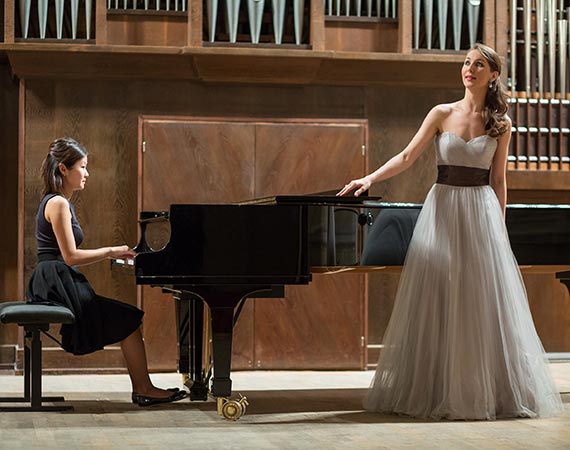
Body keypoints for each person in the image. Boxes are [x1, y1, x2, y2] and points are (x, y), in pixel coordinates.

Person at [338, 44, 563, 420]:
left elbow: (499, 180)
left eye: (478, 65)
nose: (469, 69)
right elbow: (407, 157)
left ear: (493, 75)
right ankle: (438, 387)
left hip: (481, 213)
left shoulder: (501, 123)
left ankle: (484, 390)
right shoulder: (442, 113)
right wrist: (370, 176)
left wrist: (500, 231)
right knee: (440, 296)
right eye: (466, 63)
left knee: (478, 302)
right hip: (442, 208)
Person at [26, 137, 186, 407]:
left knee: (127, 319)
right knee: (129, 320)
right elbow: (71, 257)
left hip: (54, 278)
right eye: (83, 167)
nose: (87, 173)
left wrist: (113, 253)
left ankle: (144, 388)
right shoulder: (59, 204)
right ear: (64, 169)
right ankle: (144, 389)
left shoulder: (55, 201)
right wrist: (111, 250)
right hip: (58, 281)